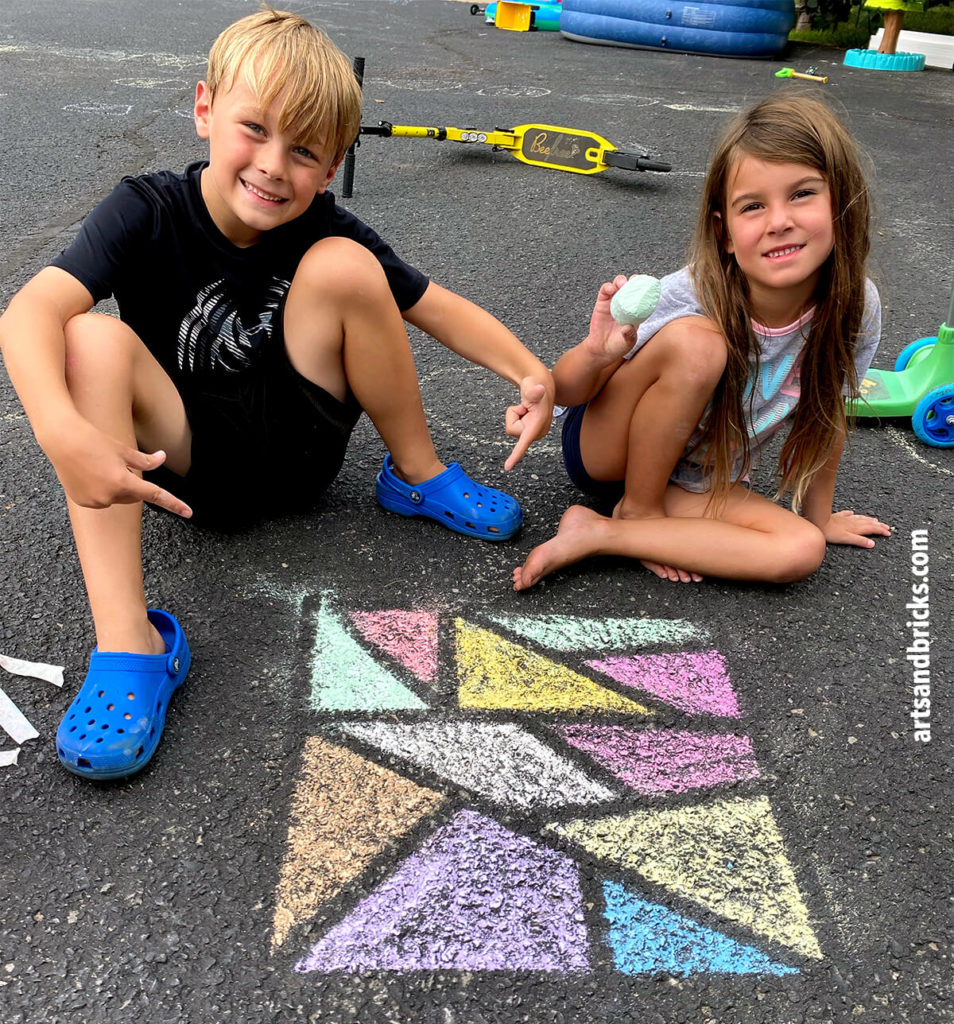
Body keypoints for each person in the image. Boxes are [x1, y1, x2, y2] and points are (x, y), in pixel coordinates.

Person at [0, 6, 553, 779]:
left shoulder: (324, 223)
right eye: (253, 128)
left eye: (303, 151)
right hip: (185, 464)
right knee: (87, 336)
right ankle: (131, 643)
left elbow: (431, 303)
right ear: (204, 109)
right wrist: (60, 429)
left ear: (330, 170)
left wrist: (531, 370)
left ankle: (417, 476)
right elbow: (29, 310)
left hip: (298, 455)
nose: (272, 165)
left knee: (350, 270)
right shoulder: (147, 210)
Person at [514, 92, 890, 592]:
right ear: (726, 233)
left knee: (801, 549)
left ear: (841, 202)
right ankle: (639, 515)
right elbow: (567, 391)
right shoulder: (690, 293)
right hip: (607, 453)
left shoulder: (853, 306)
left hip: (696, 479)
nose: (779, 221)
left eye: (802, 194)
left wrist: (819, 518)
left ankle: (601, 532)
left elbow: (827, 416)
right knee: (699, 344)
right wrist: (597, 353)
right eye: (753, 206)